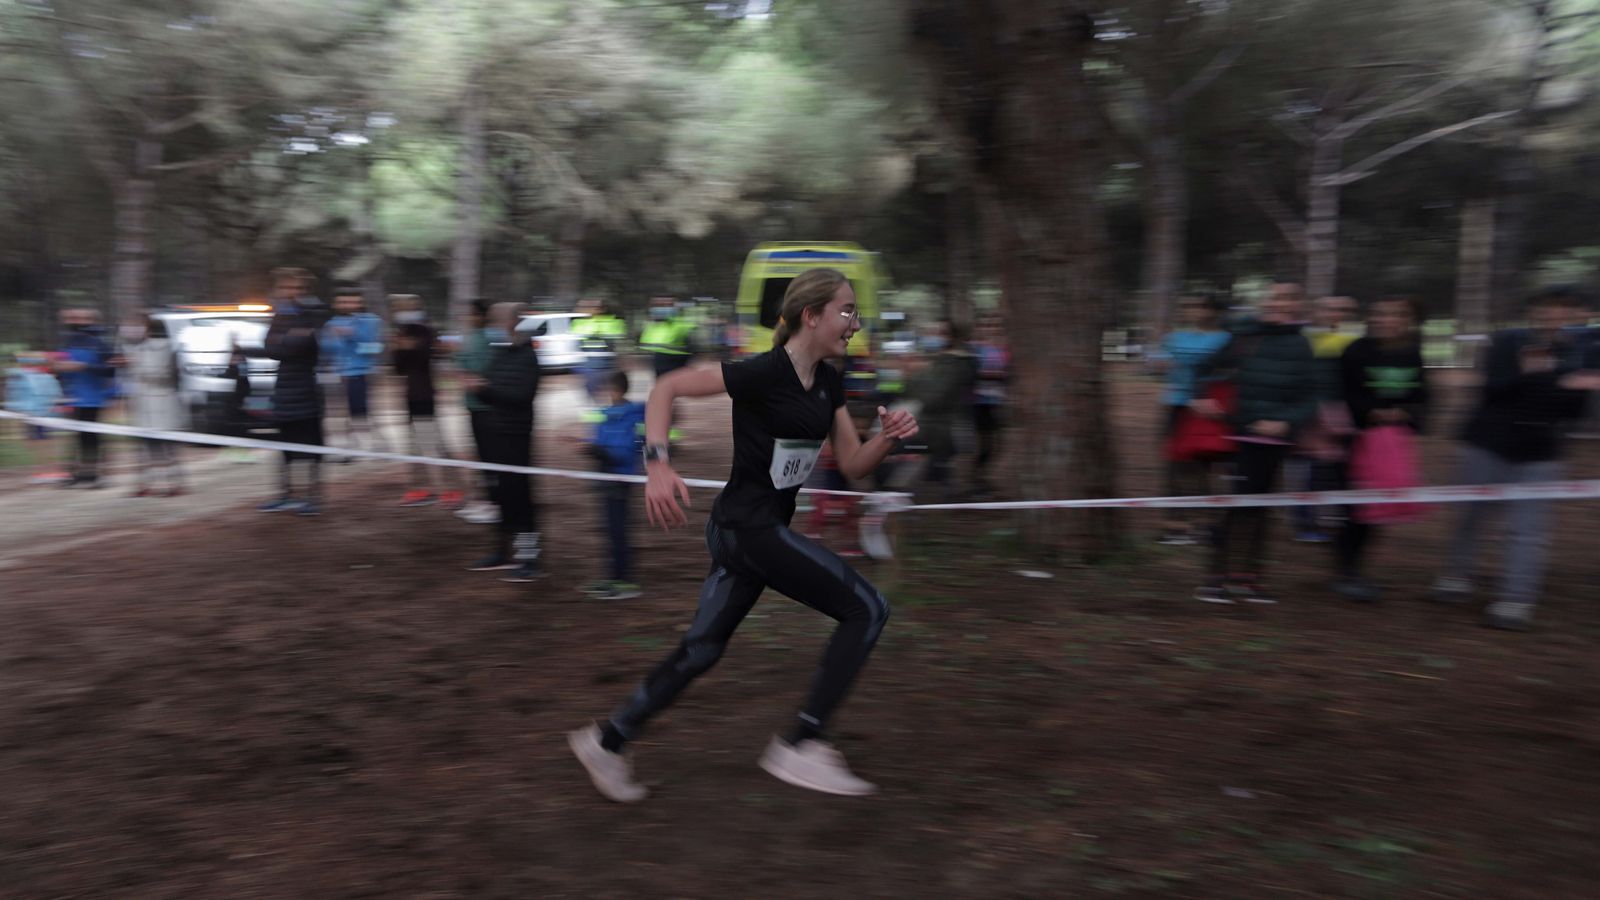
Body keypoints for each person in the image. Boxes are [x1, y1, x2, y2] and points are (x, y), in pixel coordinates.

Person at [568, 267, 919, 803]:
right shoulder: (762, 372)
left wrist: (888, 440)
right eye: (847, 310)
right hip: (746, 528)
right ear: (812, 315)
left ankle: (607, 741)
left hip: (753, 531)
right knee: (867, 609)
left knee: (703, 648)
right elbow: (666, 387)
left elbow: (851, 463)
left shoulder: (829, 380)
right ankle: (802, 742)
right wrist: (657, 463)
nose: (855, 321)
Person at [1434, 286, 1600, 630]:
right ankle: (1456, 576)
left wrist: (1568, 385)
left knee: (1528, 529)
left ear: (1572, 314)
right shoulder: (1506, 340)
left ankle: (1516, 598)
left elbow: (1576, 409)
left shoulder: (1580, 351)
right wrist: (1528, 374)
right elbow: (1490, 390)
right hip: (1488, 440)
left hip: (1541, 449)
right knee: (1469, 515)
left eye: (1561, 309)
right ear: (1533, 310)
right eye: (1546, 307)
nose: (1553, 314)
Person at [1192, 280, 1316, 605]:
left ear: (1298, 306)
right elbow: (1203, 369)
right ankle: (1215, 579)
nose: (1279, 303)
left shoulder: (1302, 345)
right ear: (1265, 302)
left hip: (1276, 441)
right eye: (1274, 298)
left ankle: (1249, 580)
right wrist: (1200, 398)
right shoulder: (1244, 335)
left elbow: (1310, 396)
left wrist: (1285, 422)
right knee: (1236, 506)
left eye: (1288, 298)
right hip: (1240, 434)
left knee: (1261, 508)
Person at [1334, 297, 1430, 602]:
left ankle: (1356, 568)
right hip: (1355, 439)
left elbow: (1422, 394)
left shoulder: (1412, 354)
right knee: (1355, 508)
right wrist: (1370, 412)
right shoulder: (1356, 351)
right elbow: (1344, 392)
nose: (1385, 320)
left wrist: (1406, 414)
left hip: (1392, 443)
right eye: (1379, 313)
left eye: (1395, 315)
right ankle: (1346, 571)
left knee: (1378, 507)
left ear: (1407, 321)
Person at [464, 302, 544, 583]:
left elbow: (521, 397)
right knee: (498, 494)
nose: (499, 326)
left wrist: (486, 389)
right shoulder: (501, 353)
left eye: (503, 321)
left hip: (516, 437)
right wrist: (480, 388)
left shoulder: (528, 357)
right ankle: (501, 551)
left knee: (520, 498)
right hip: (494, 434)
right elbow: (493, 387)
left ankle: (529, 558)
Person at [1151, 295, 1231, 544]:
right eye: (1189, 305)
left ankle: (1205, 526)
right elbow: (1154, 364)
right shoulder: (1175, 337)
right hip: (1175, 405)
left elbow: (1231, 370)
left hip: (1207, 408)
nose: (1194, 310)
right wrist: (1159, 362)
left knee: (1202, 466)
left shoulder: (1226, 339)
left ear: (1215, 310)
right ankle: (1175, 527)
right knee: (1174, 465)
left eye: (1201, 305)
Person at [257, 268, 328, 516]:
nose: (292, 293)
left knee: (311, 446)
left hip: (308, 389)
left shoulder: (314, 313)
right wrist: (291, 339)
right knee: (285, 446)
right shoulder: (281, 316)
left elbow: (307, 344)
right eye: (287, 288)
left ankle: (313, 497)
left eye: (297, 288)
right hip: (284, 390)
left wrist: (286, 340)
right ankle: (286, 494)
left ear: (305, 291)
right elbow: (269, 348)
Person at [1292, 295, 1362, 543]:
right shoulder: (1305, 338)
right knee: (1309, 469)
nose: (1336, 314)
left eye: (1343, 310)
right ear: (1318, 311)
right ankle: (1305, 521)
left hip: (1344, 413)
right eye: (1330, 309)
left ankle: (1336, 517)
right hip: (1312, 415)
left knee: (1341, 467)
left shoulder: (1355, 339)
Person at [390, 294, 464, 509]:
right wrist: (399, 348)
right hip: (411, 396)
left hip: (425, 395)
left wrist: (411, 345)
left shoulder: (426, 332)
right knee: (414, 444)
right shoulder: (401, 334)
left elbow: (428, 356)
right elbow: (399, 368)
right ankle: (420, 489)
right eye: (398, 308)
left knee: (433, 443)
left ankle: (451, 489)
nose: (401, 312)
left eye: (405, 307)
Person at [581, 370, 646, 600]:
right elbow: (597, 441)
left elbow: (628, 449)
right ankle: (614, 576)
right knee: (610, 530)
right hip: (606, 477)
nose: (607, 393)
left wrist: (601, 453)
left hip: (620, 478)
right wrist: (592, 450)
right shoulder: (604, 414)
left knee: (619, 530)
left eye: (609, 388)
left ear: (618, 389)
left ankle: (625, 581)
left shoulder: (634, 415)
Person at [905, 318, 977, 502]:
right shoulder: (942, 361)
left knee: (940, 462)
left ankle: (945, 498)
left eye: (939, 332)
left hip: (948, 425)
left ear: (950, 336)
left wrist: (914, 377)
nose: (933, 337)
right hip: (937, 425)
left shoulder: (956, 364)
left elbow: (933, 397)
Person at [53, 307, 121, 488]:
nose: (75, 321)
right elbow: (59, 367)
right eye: (72, 318)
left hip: (93, 397)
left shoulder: (101, 343)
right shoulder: (67, 341)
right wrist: (58, 371)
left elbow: (110, 370)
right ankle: (76, 474)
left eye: (81, 318)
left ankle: (95, 476)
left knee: (91, 437)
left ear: (92, 321)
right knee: (75, 436)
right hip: (72, 397)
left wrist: (85, 367)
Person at [124, 312, 188, 497]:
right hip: (144, 401)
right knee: (145, 446)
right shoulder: (138, 348)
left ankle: (174, 483)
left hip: (163, 400)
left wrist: (136, 367)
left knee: (167, 447)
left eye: (140, 325)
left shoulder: (166, 348)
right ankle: (145, 483)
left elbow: (164, 376)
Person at [322, 284, 387, 459]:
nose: (347, 306)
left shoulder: (370, 321)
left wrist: (353, 335)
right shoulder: (330, 323)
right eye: (342, 302)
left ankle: (379, 444)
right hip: (337, 373)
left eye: (352, 302)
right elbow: (326, 349)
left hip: (361, 372)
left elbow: (376, 348)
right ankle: (350, 447)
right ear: (335, 304)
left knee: (360, 411)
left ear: (360, 303)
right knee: (340, 412)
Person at [454, 298, 501, 525]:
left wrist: (483, 382)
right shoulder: (469, 339)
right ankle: (484, 501)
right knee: (480, 455)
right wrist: (464, 376)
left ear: (483, 316)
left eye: (473, 314)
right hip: (473, 407)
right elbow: (460, 364)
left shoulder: (495, 338)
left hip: (490, 408)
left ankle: (495, 503)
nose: (469, 318)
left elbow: (498, 370)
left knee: (492, 456)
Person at [4, 350, 67, 484]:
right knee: (41, 441)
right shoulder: (39, 376)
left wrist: (17, 408)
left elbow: (53, 394)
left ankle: (49, 469)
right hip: (35, 414)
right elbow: (55, 394)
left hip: (37, 414)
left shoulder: (27, 377)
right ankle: (47, 469)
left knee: (41, 442)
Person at [968, 311, 1011, 498]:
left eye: (995, 325)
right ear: (979, 328)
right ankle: (976, 481)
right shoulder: (974, 349)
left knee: (996, 445)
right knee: (983, 444)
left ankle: (981, 477)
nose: (991, 328)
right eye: (987, 325)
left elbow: (1009, 373)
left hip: (997, 402)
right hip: (978, 404)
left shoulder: (1003, 349)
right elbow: (970, 374)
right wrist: (994, 375)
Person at [639, 294, 695, 378]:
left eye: (667, 305)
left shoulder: (684, 325)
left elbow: (693, 349)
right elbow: (645, 346)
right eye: (658, 305)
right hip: (659, 365)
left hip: (676, 366)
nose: (662, 309)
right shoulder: (650, 327)